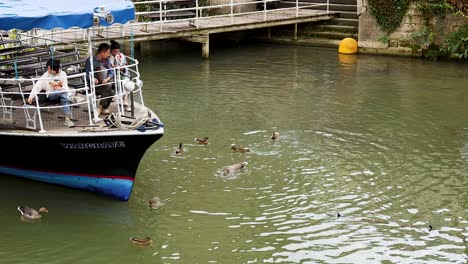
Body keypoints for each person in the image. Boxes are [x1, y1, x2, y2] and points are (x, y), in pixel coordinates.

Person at [27, 59, 74, 127]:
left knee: (64, 96)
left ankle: (67, 120)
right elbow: (38, 85)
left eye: (49, 69)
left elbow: (65, 87)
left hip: (62, 95)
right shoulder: (46, 75)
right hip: (51, 95)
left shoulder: (63, 74)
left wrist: (60, 89)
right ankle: (71, 97)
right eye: (48, 69)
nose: (48, 70)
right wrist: (31, 96)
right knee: (63, 93)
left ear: (55, 69)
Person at [84, 43, 115, 117]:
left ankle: (101, 108)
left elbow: (111, 71)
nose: (108, 55)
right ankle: (101, 108)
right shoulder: (90, 60)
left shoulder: (107, 60)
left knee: (115, 87)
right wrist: (93, 79)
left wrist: (107, 78)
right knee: (109, 88)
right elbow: (87, 73)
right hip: (95, 85)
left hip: (105, 82)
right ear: (102, 52)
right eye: (107, 53)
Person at [109, 40, 131, 112]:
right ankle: (125, 102)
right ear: (111, 50)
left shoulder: (121, 56)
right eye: (114, 51)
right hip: (111, 75)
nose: (116, 53)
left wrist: (122, 69)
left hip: (121, 74)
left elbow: (125, 66)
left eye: (117, 51)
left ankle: (125, 101)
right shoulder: (108, 56)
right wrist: (113, 67)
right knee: (120, 81)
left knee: (126, 81)